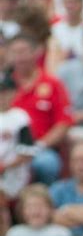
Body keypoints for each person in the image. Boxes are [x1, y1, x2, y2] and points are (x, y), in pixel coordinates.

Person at [9, 33, 73, 185]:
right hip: (7, 147)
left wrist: (39, 146)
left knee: (47, 164)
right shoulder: (4, 85)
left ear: (35, 52)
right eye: (15, 52)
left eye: (23, 51)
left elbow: (63, 123)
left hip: (40, 148)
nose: (20, 57)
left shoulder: (52, 84)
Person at [0, 71, 35, 200]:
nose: (2, 97)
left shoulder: (20, 117)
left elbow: (27, 152)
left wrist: (4, 166)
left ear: (13, 93)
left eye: (5, 92)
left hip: (14, 175)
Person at [5, 183, 72, 236]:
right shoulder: (14, 234)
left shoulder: (61, 234)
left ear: (50, 209)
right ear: (22, 211)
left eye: (40, 206)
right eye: (30, 207)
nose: (35, 211)